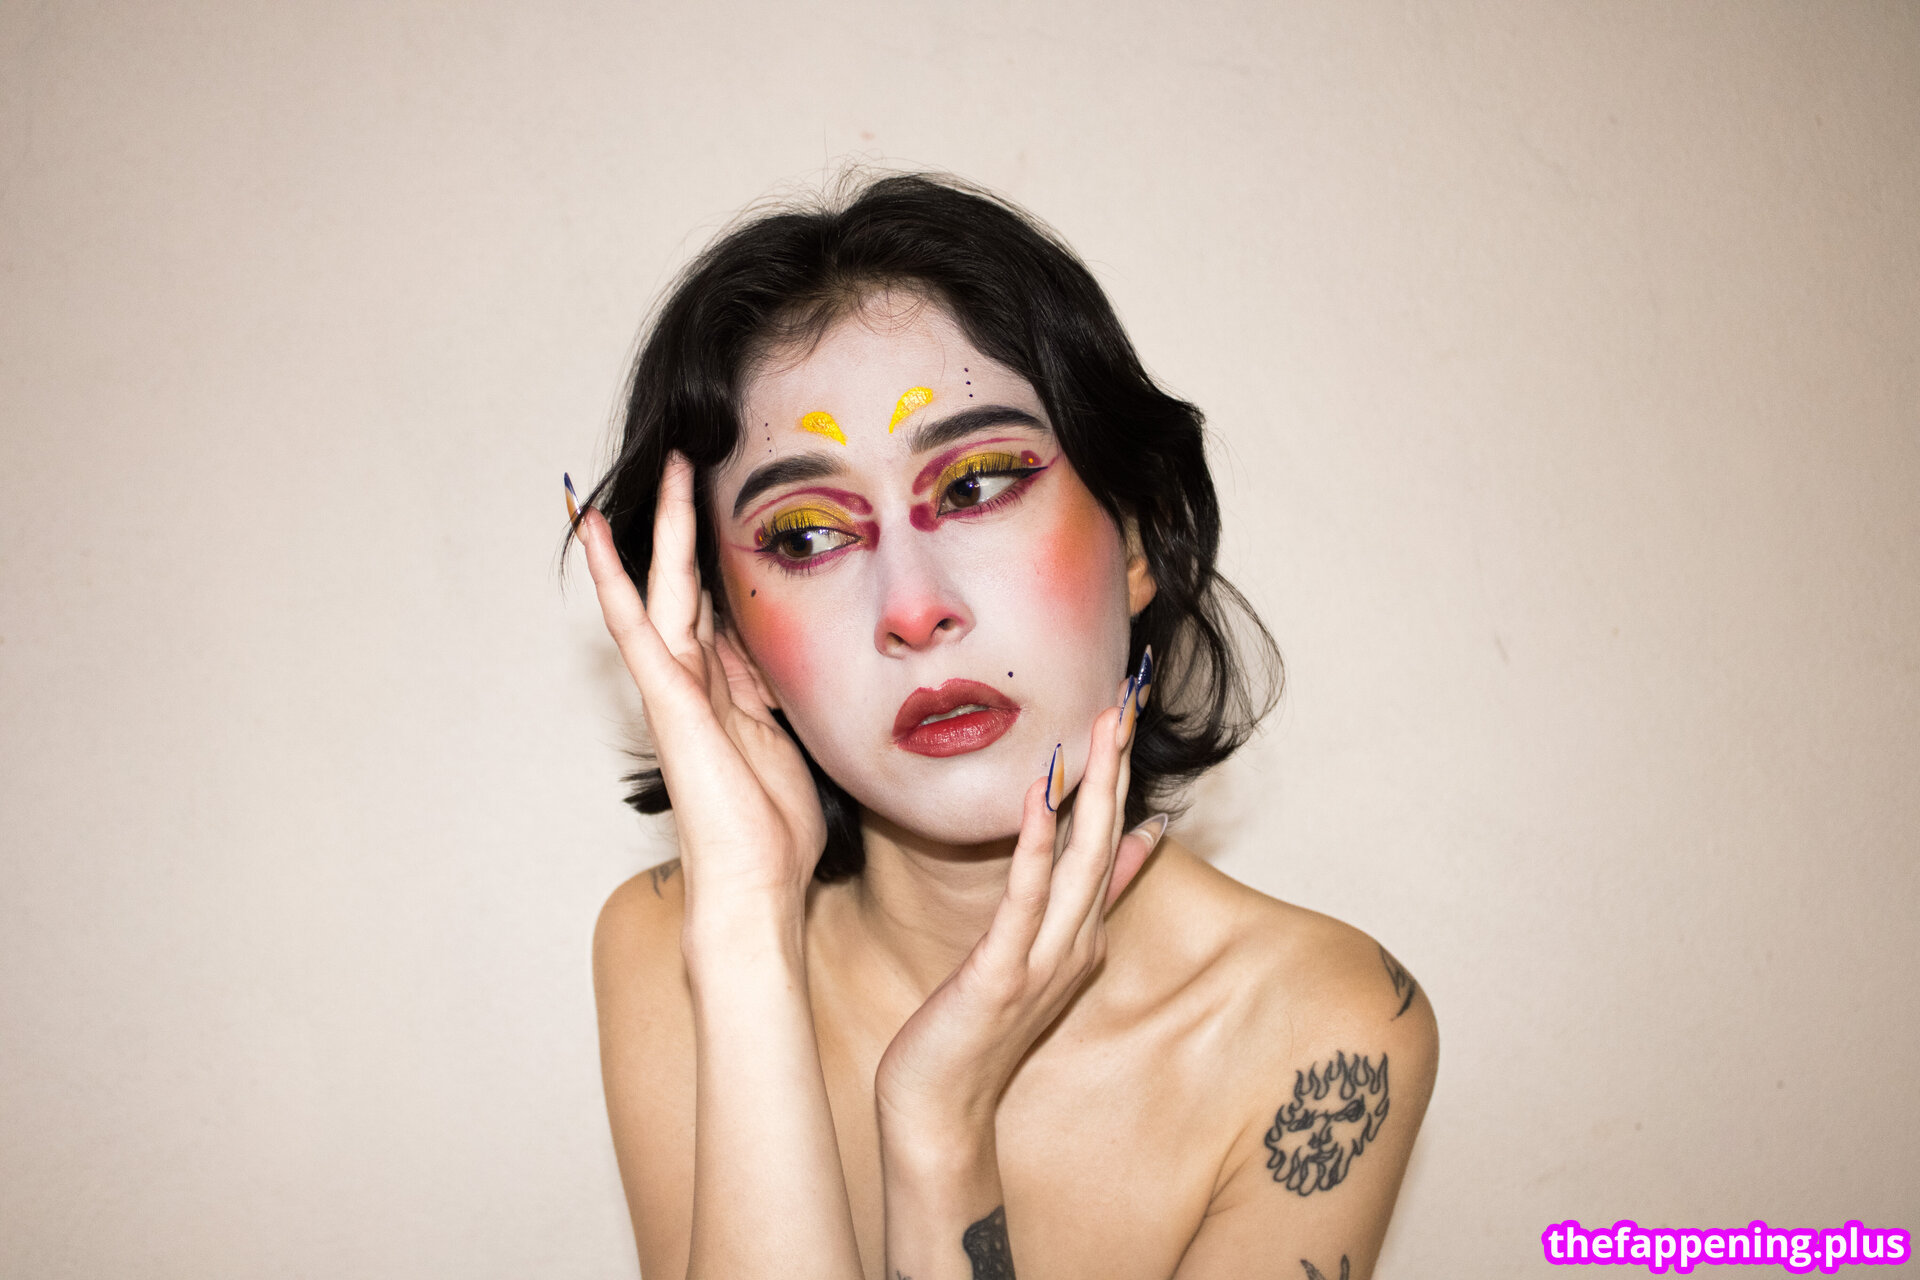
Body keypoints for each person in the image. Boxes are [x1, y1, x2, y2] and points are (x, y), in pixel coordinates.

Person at [572, 173, 1437, 1280]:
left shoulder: (1323, 1033)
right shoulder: (673, 946)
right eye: (804, 535)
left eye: (978, 484)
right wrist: (744, 933)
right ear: (731, 645)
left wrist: (938, 1128)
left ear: (1141, 538)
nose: (913, 608)